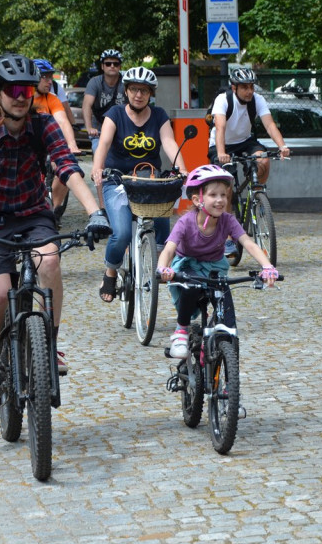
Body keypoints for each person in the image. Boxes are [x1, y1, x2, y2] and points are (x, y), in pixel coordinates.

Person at [0, 53, 110, 411]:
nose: (21, 95)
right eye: (13, 89)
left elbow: (67, 168)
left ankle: (50, 343)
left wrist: (95, 213)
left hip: (33, 216)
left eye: (27, 89)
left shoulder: (43, 127)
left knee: (49, 262)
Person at [156, 165, 277, 358]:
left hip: (215, 268)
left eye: (224, 195)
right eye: (213, 195)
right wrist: (163, 268)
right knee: (191, 286)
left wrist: (268, 266)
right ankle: (181, 331)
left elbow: (248, 243)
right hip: (188, 266)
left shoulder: (228, 220)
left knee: (225, 306)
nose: (220, 200)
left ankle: (228, 365)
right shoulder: (186, 222)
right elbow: (169, 248)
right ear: (197, 199)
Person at [91, 66, 187, 303]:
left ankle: (153, 264)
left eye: (144, 90)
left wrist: (183, 168)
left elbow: (169, 142)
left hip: (149, 180)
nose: (138, 95)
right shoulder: (115, 114)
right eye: (134, 89)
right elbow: (103, 143)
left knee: (163, 229)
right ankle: (111, 271)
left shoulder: (159, 115)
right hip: (118, 180)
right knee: (121, 234)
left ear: (150, 94)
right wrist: (97, 169)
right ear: (126, 90)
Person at [207, 67, 290, 257]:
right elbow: (220, 127)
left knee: (264, 159)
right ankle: (228, 238)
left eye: (251, 87)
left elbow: (269, 124)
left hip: (245, 141)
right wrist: (221, 153)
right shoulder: (223, 100)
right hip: (221, 144)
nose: (249, 91)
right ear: (234, 87)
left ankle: (257, 193)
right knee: (225, 187)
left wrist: (282, 146)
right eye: (244, 87)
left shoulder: (257, 100)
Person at [33, 59, 83, 220]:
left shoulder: (51, 98)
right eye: (45, 77)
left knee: (68, 168)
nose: (50, 81)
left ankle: (51, 211)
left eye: (51, 77)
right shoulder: (24, 98)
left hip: (49, 144)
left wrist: (72, 145)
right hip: (29, 146)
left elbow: (62, 121)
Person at [82, 48, 126, 140]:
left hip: (121, 130)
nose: (112, 66)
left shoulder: (126, 83)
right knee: (98, 150)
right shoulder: (94, 82)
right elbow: (87, 105)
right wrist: (89, 128)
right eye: (108, 64)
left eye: (116, 64)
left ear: (120, 66)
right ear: (102, 66)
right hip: (98, 131)